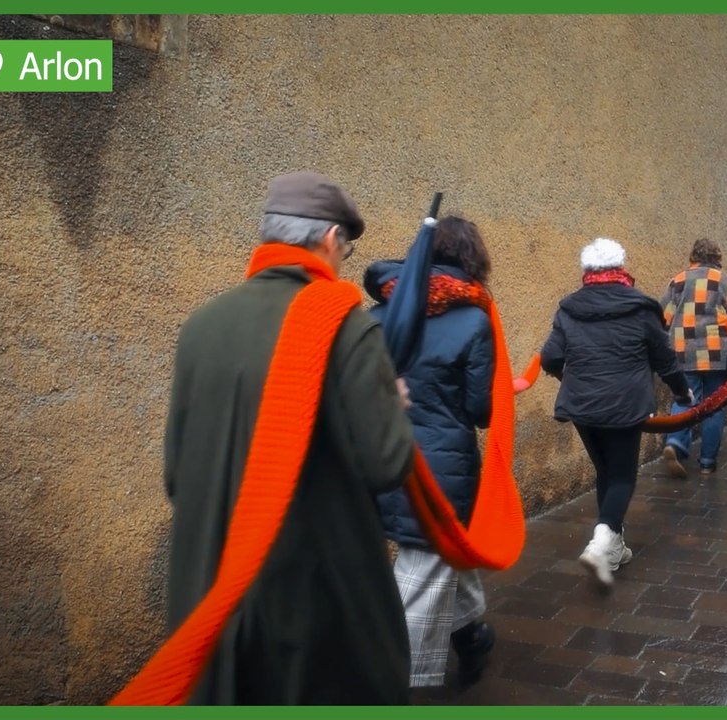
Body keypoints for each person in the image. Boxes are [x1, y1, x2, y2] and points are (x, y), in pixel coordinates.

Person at [162, 172, 416, 704]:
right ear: (329, 241)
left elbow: (176, 475)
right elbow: (385, 462)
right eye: (344, 249)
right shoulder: (344, 325)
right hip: (307, 602)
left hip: (209, 592)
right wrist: (393, 403)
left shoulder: (201, 324)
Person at [366, 217, 497, 689]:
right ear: (472, 259)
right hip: (443, 466)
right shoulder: (475, 320)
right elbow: (480, 409)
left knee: (442, 555)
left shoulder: (377, 314)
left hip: (382, 457)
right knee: (422, 573)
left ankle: (471, 638)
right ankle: (401, 682)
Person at [540, 237, 693, 590]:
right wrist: (683, 390)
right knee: (623, 476)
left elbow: (550, 357)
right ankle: (600, 542)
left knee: (605, 473)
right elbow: (663, 359)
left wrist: (571, 377)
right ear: (621, 269)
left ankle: (614, 548)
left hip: (582, 405)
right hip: (625, 405)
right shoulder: (642, 308)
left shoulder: (569, 308)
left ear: (586, 272)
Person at [658, 238, 727, 477]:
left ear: (693, 256)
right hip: (717, 353)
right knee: (715, 405)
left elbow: (664, 317)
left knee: (684, 399)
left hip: (683, 351)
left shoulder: (678, 280)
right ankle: (707, 462)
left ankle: (675, 443)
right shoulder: (722, 280)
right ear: (717, 257)